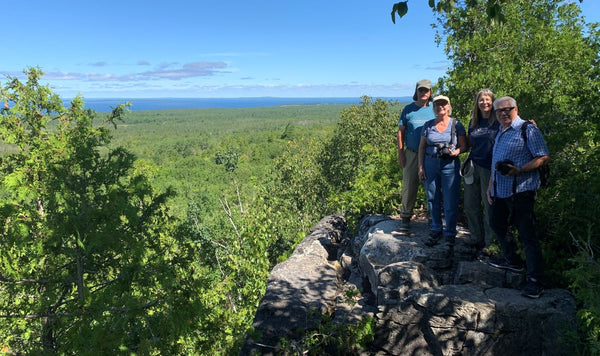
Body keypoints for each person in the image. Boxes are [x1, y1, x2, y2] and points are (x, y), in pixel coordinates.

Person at [486, 96, 549, 299]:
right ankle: (512, 259)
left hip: (522, 189)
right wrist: (489, 186)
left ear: (516, 108)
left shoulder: (527, 129)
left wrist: (520, 169)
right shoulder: (500, 131)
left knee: (527, 234)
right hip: (500, 189)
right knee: (496, 224)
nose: (504, 113)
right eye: (499, 111)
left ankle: (535, 280)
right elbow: (495, 161)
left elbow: (543, 156)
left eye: (508, 109)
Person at [418, 95, 467, 246]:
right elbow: (422, 147)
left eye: (443, 104)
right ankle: (436, 228)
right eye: (437, 104)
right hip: (430, 162)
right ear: (434, 108)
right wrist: (420, 167)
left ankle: (450, 232)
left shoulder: (456, 125)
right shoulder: (428, 125)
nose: (441, 107)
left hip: (450, 164)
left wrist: (456, 152)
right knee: (432, 198)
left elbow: (464, 146)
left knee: (450, 200)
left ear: (448, 106)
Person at [463, 89, 499, 253]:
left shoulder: (499, 120)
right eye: (481, 100)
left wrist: (530, 124)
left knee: (489, 204)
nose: (484, 103)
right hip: (473, 165)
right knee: (471, 203)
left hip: (490, 167)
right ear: (477, 104)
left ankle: (489, 241)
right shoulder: (473, 122)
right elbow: (470, 143)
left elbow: (515, 125)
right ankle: (476, 236)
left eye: (487, 99)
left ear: (492, 101)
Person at [397, 79, 434, 228]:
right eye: (421, 90)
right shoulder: (408, 110)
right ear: (416, 92)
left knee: (431, 186)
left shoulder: (435, 108)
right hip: (411, 153)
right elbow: (401, 133)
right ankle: (405, 217)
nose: (423, 93)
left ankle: (433, 218)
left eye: (426, 90)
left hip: (430, 153)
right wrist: (401, 153)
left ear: (431, 92)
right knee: (409, 185)